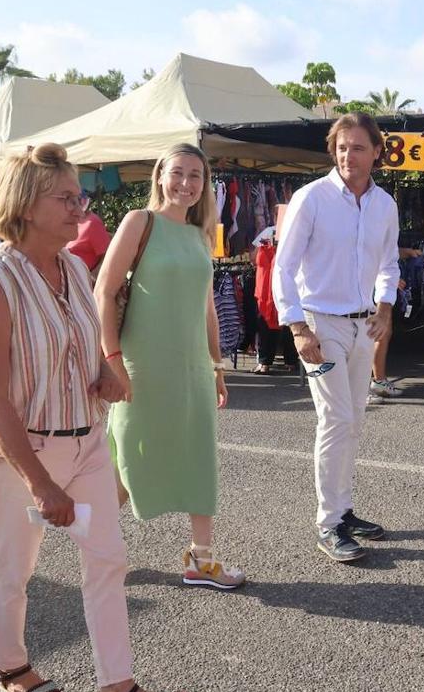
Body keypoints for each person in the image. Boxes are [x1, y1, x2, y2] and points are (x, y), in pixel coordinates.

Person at [0, 143, 190, 692]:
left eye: (79, 196)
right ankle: (11, 665)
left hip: (86, 438)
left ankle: (117, 691)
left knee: (108, 561)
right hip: (22, 453)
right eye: (65, 198)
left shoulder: (74, 267)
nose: (79, 208)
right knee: (13, 566)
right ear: (25, 205)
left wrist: (104, 374)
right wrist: (41, 485)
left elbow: (77, 350)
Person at [95, 144, 242, 590]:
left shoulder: (201, 233)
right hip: (141, 363)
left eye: (196, 175)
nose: (186, 183)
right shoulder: (140, 222)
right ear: (160, 176)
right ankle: (97, 551)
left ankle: (202, 560)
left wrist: (216, 365)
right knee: (129, 460)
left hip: (192, 366)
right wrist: (112, 361)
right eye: (178, 173)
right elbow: (103, 290)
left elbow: (207, 308)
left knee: (199, 457)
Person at [273, 112, 399, 563]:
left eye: (358, 146)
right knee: (336, 418)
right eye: (342, 147)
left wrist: (385, 307)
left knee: (355, 420)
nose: (349, 155)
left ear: (377, 152)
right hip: (321, 326)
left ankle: (343, 511)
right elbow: (282, 267)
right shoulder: (312, 198)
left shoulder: (385, 204)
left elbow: (389, 265)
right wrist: (297, 327)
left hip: (363, 325)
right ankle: (328, 524)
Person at [369, 245, 423, 403]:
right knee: (374, 335)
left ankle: (378, 381)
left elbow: (384, 250)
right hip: (366, 288)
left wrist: (405, 252)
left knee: (381, 333)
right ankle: (371, 384)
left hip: (375, 286)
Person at [252, 225, 298, 374]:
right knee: (275, 324)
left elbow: (253, 257)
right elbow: (254, 257)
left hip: (281, 285)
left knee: (288, 323)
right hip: (267, 287)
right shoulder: (268, 233)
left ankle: (280, 361)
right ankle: (282, 362)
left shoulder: (296, 230)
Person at [66, 192, 112, 276]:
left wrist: (91, 279)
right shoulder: (71, 223)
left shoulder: (92, 223)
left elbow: (109, 255)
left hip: (84, 280)